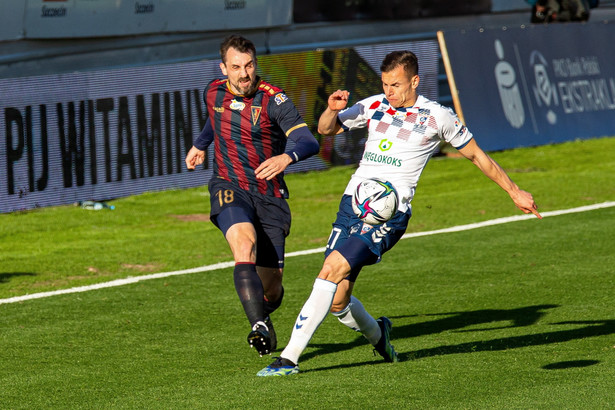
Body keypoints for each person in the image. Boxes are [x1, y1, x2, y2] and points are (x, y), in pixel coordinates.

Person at [257, 50, 542, 376]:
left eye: (395, 84)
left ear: (415, 81)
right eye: (385, 84)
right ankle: (380, 336)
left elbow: (477, 156)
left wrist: (514, 191)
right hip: (352, 205)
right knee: (338, 300)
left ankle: (289, 359)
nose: (389, 90)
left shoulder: (437, 116)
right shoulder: (374, 104)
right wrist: (331, 110)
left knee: (329, 270)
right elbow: (326, 130)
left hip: (389, 216)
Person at [185, 35, 320, 357]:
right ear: (224, 68)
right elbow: (215, 119)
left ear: (255, 65)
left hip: (269, 197)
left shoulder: (275, 100)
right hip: (229, 184)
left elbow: (308, 141)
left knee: (271, 288)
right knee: (243, 244)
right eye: (236, 67)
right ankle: (258, 326)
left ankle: (264, 314)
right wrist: (200, 144)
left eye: (249, 66)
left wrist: (287, 157)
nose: (244, 74)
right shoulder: (213, 90)